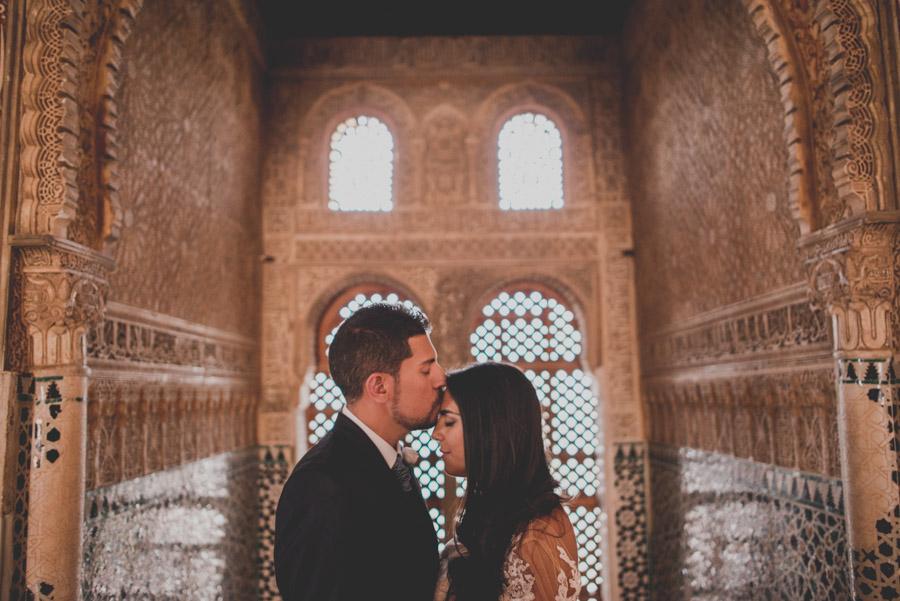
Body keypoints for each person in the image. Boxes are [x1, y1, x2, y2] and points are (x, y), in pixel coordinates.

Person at [274, 302, 446, 601]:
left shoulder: (391, 460)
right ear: (379, 387)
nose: (441, 378)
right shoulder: (322, 486)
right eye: (426, 369)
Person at [431, 361, 581, 601]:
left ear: (490, 426)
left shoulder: (537, 535)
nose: (435, 433)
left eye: (449, 422)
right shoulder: (492, 513)